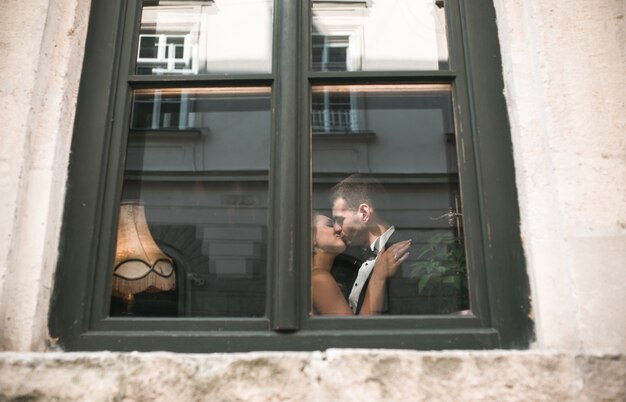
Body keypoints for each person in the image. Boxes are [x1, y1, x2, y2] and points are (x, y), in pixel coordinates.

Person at [330, 175, 411, 314]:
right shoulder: (354, 256)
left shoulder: (403, 249)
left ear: (364, 213)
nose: (335, 228)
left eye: (340, 219)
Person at [311, 212, 410, 315]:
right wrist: (378, 276)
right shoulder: (319, 279)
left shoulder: (320, 276)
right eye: (330, 225)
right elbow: (354, 330)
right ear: (311, 237)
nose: (338, 228)